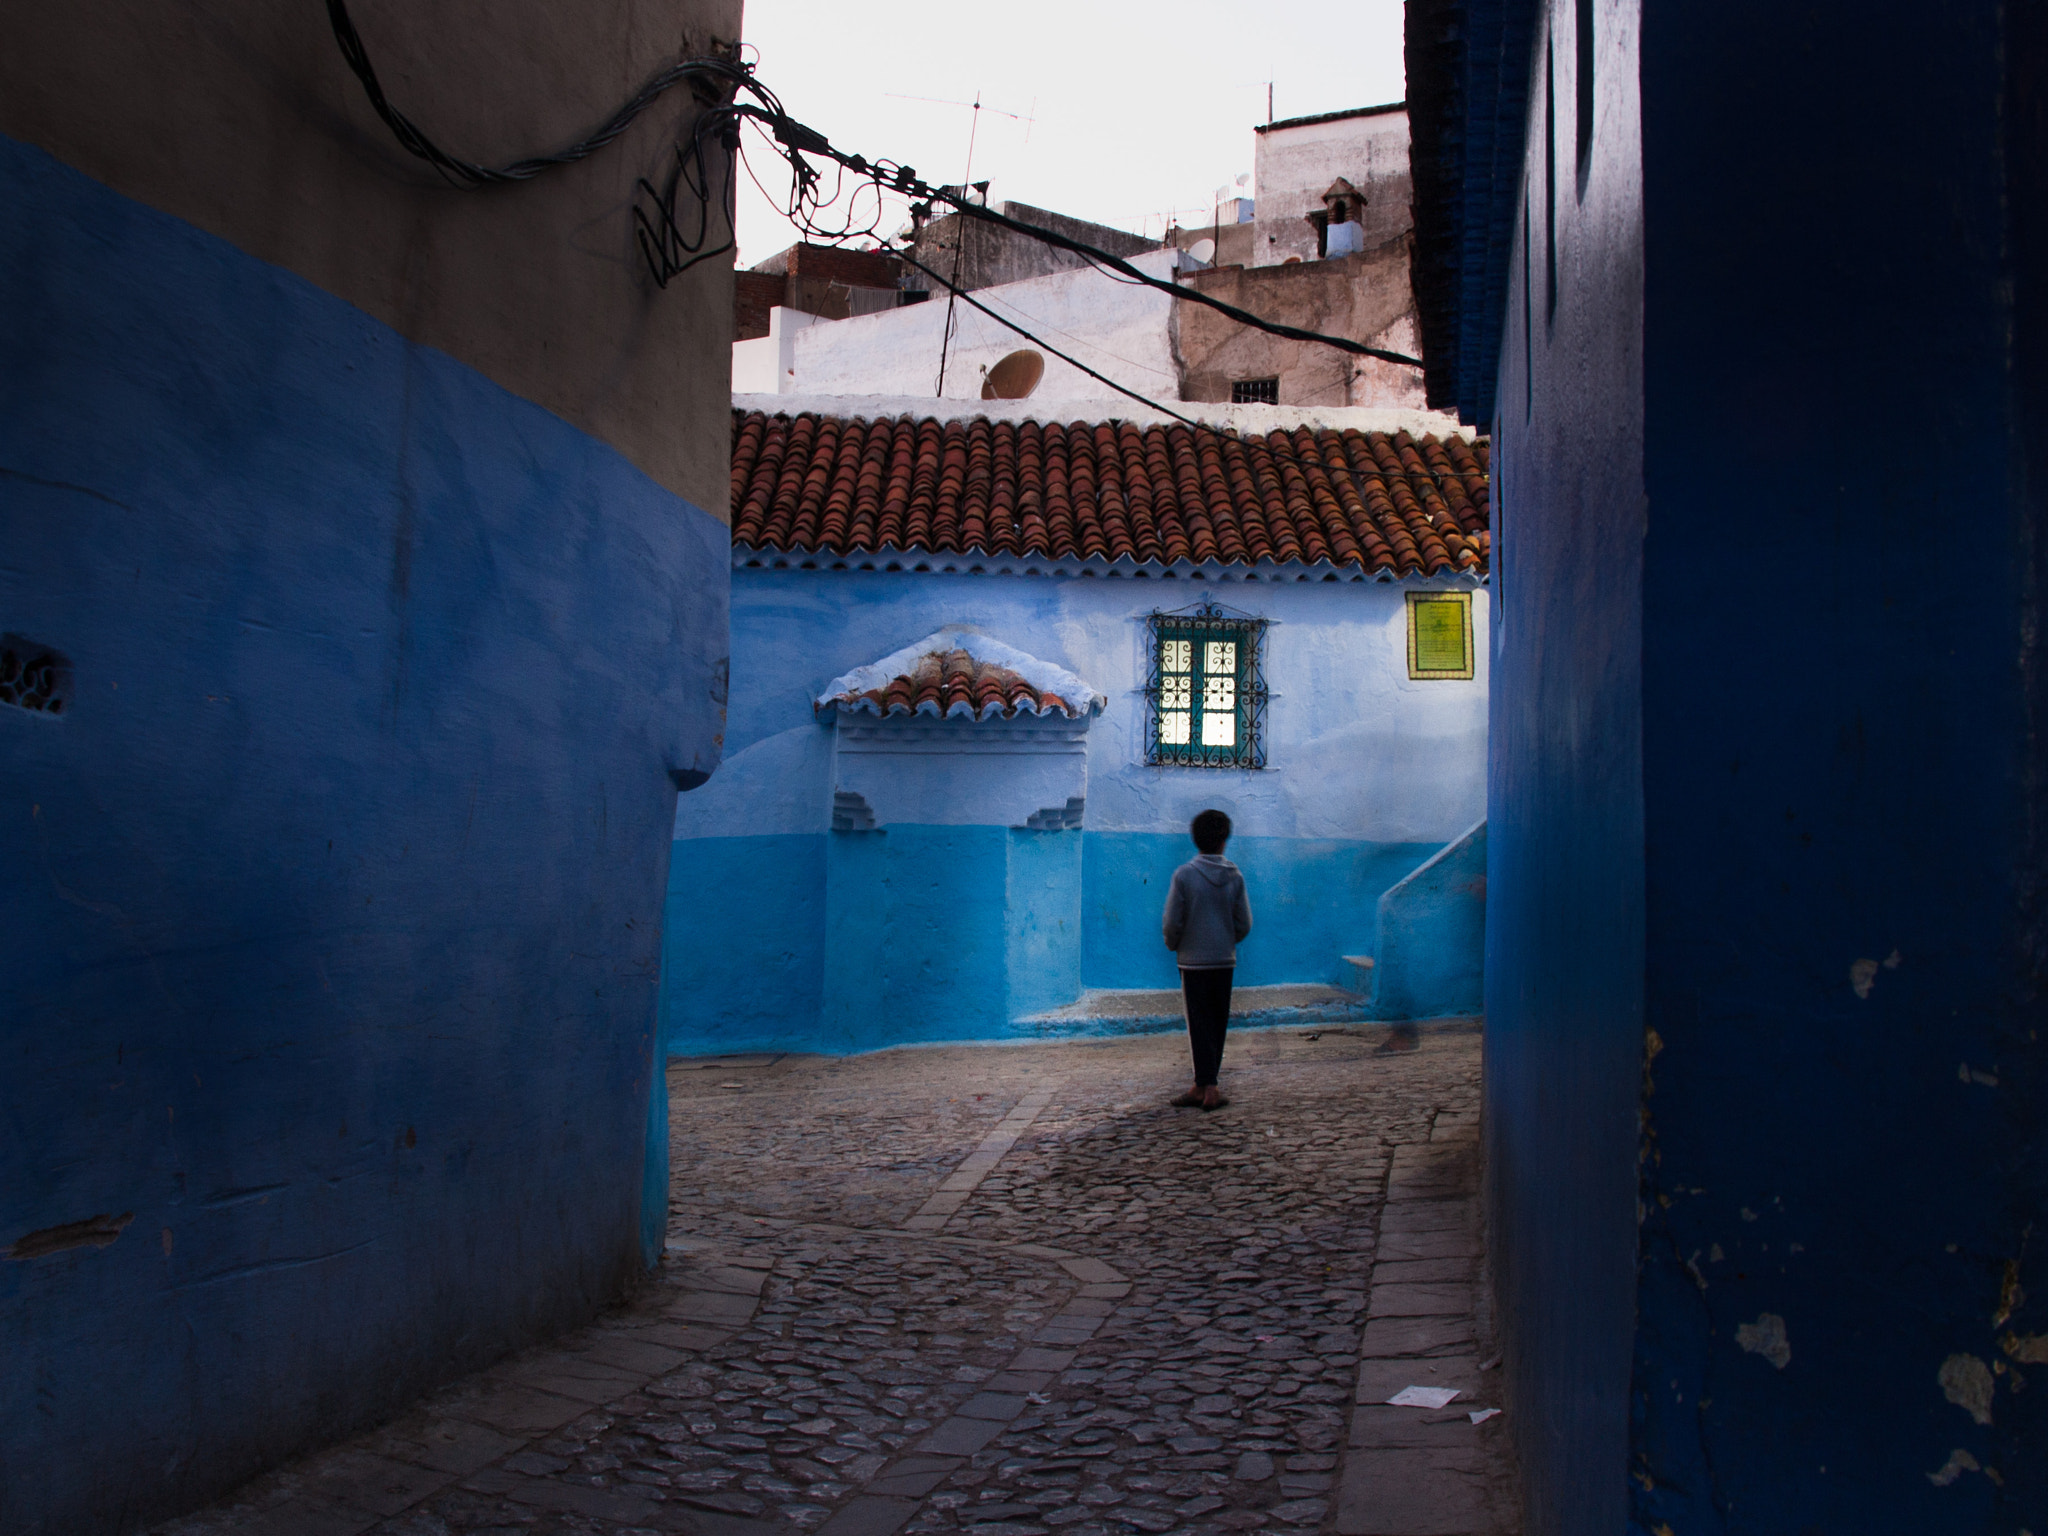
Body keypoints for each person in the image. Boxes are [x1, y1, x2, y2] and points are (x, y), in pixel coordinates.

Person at [1161, 808, 1252, 1109]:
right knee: (1217, 1022)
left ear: (1195, 839)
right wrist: (1226, 940)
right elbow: (1244, 923)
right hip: (1224, 960)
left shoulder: (1184, 875)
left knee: (1197, 1023)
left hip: (1193, 962)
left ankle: (1207, 1088)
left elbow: (1172, 921)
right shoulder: (1234, 875)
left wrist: (1175, 944)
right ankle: (1205, 1084)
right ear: (1224, 840)